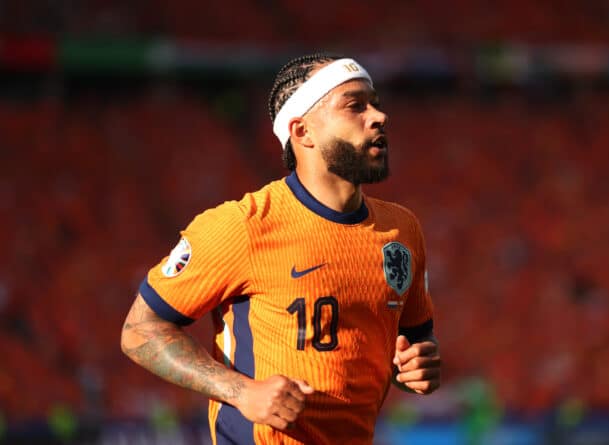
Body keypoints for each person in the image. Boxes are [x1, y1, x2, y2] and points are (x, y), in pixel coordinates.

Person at [120, 53, 441, 445]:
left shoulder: (402, 230)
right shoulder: (242, 226)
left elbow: (416, 339)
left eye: (375, 103)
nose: (379, 116)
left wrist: (418, 365)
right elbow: (140, 330)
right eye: (355, 106)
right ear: (303, 131)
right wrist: (242, 392)